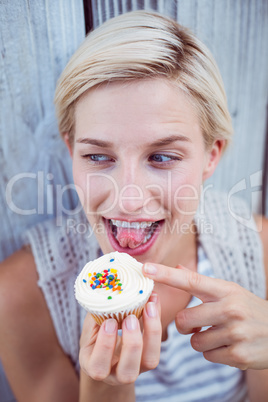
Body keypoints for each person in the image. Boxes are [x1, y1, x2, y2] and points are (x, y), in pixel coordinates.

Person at [0, 10, 268, 402]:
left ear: (211, 156)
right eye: (98, 157)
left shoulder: (259, 253)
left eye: (162, 157)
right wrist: (105, 389)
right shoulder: (22, 294)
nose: (128, 198)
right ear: (71, 149)